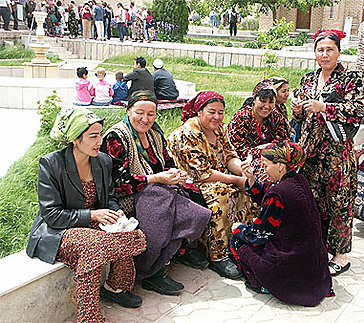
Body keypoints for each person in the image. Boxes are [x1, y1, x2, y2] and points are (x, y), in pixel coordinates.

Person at [26, 107, 147, 323]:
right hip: (59, 230)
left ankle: (115, 287)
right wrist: (92, 215)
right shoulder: (51, 164)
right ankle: (88, 316)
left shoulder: (102, 161)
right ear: (75, 138)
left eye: (100, 134)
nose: (99, 141)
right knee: (95, 247)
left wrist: (113, 211)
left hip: (91, 226)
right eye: (93, 136)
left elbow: (108, 197)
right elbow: (52, 215)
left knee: (132, 235)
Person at [101, 90, 211, 296]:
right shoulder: (116, 137)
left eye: (151, 114)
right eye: (139, 113)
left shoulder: (154, 133)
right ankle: (150, 271)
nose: (145, 119)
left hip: (157, 190)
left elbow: (167, 162)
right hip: (131, 197)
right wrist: (156, 179)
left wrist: (173, 173)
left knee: (194, 202)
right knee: (162, 205)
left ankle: (174, 254)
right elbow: (118, 183)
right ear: (128, 110)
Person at [291, 29, 364, 276]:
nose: (324, 55)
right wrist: (298, 109)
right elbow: (300, 116)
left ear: (339, 52)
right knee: (312, 199)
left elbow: (358, 110)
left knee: (339, 201)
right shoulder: (308, 79)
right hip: (310, 151)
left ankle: (341, 254)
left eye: (329, 50)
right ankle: (318, 245)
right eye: (320, 50)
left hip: (336, 152)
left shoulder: (350, 80)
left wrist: (325, 107)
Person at [168, 91, 258, 280]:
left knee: (250, 190)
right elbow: (201, 173)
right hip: (191, 182)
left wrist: (243, 171)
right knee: (222, 194)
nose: (217, 117)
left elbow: (230, 156)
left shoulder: (220, 130)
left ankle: (241, 243)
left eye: (221, 112)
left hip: (218, 176)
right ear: (199, 111)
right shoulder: (187, 134)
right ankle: (218, 255)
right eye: (211, 112)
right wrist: (235, 180)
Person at [230, 140, 333, 306]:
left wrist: (239, 229)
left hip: (291, 269)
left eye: (265, 164)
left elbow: (258, 235)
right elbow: (266, 192)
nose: (263, 168)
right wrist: (250, 178)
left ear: (280, 165)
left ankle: (264, 284)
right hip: (315, 272)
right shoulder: (298, 180)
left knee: (237, 241)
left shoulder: (279, 192)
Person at [228, 79, 292, 182]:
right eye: (262, 101)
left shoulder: (275, 116)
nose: (266, 106)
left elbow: (283, 140)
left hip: (272, 158)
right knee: (265, 175)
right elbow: (237, 147)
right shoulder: (241, 117)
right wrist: (262, 153)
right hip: (246, 160)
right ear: (254, 99)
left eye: (271, 102)